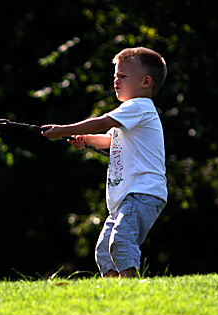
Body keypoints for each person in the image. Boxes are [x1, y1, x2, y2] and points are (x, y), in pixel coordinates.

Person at [42, 47, 168, 278]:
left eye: (123, 76)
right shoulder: (131, 114)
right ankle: (113, 292)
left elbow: (102, 122)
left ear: (146, 82)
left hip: (141, 192)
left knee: (121, 241)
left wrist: (64, 130)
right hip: (126, 196)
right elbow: (109, 140)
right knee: (104, 250)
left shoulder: (139, 106)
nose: (116, 81)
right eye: (115, 76)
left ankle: (130, 288)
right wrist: (84, 138)